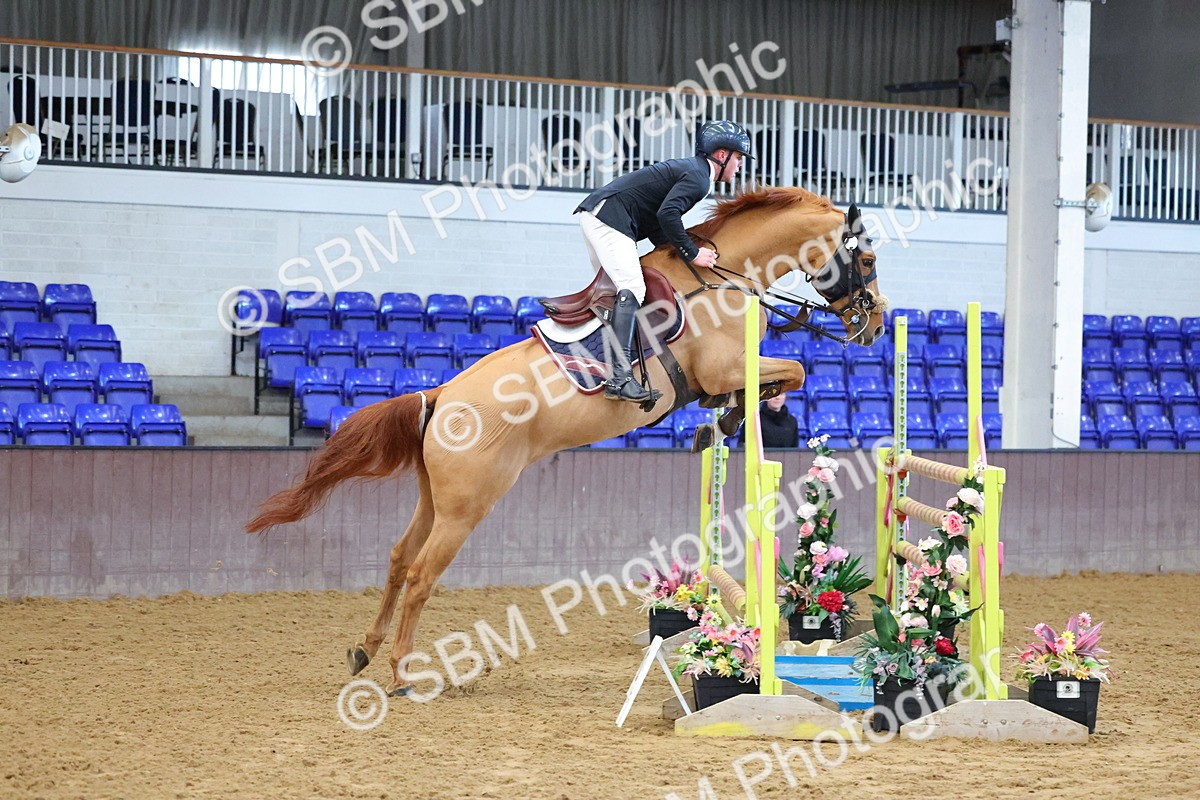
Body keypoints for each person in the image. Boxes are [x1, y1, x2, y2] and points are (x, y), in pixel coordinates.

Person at [574, 120, 751, 403]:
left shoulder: (694, 171)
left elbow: (660, 219)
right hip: (609, 219)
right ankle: (620, 379)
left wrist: (675, 253)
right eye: (739, 158)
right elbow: (668, 215)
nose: (740, 165)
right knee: (633, 288)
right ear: (721, 155)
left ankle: (600, 361)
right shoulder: (699, 178)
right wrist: (692, 254)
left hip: (600, 215)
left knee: (616, 296)